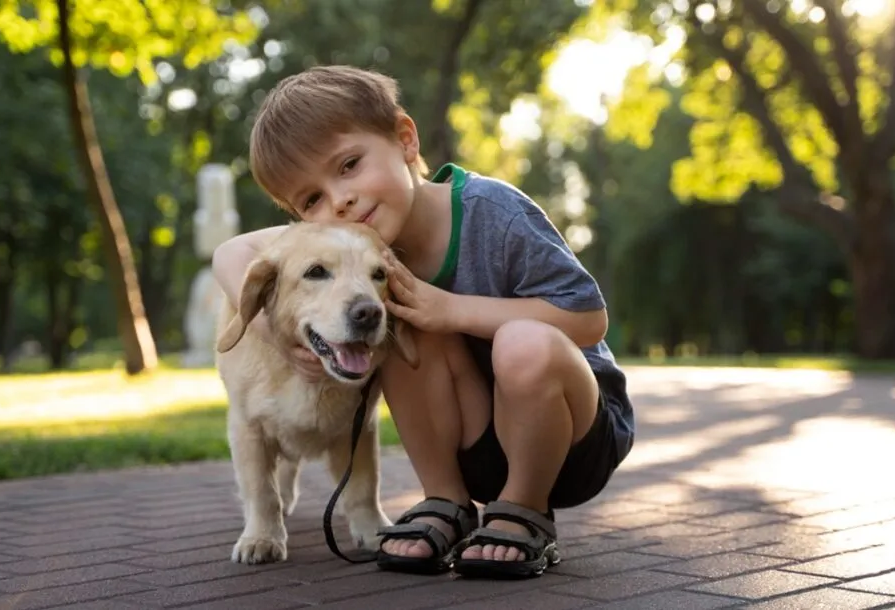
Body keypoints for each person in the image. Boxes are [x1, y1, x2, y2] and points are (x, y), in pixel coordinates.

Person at [212, 65, 634, 579]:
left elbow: (588, 318)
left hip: (575, 440)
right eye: (311, 200)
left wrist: (451, 309)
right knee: (396, 323)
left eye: (348, 165)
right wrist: (275, 337)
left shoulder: (494, 212)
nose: (339, 200)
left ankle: (524, 510)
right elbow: (231, 253)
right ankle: (446, 500)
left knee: (521, 343)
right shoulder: (355, 246)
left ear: (405, 139)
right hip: (477, 445)